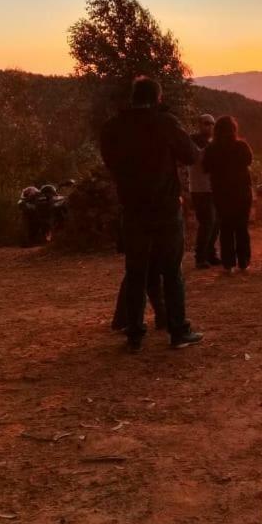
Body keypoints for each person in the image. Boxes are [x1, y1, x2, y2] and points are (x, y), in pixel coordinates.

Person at [100, 77, 203, 352]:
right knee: (172, 271)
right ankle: (178, 330)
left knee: (135, 272)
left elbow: (110, 162)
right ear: (157, 97)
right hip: (166, 207)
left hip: (133, 209)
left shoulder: (113, 127)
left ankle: (134, 333)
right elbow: (192, 155)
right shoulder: (165, 122)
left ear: (133, 97)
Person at [201, 116, 253, 274]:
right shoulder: (242, 146)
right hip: (242, 192)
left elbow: (205, 168)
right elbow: (249, 161)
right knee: (242, 227)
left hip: (221, 194)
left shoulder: (211, 149)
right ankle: (243, 263)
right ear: (234, 129)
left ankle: (228, 264)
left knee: (226, 227)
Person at [188, 114, 220, 269]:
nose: (210, 126)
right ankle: (200, 257)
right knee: (207, 223)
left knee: (215, 223)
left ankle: (210, 254)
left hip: (212, 187)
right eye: (207, 123)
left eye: (212, 123)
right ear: (199, 124)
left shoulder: (212, 142)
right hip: (199, 188)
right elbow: (194, 158)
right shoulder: (192, 140)